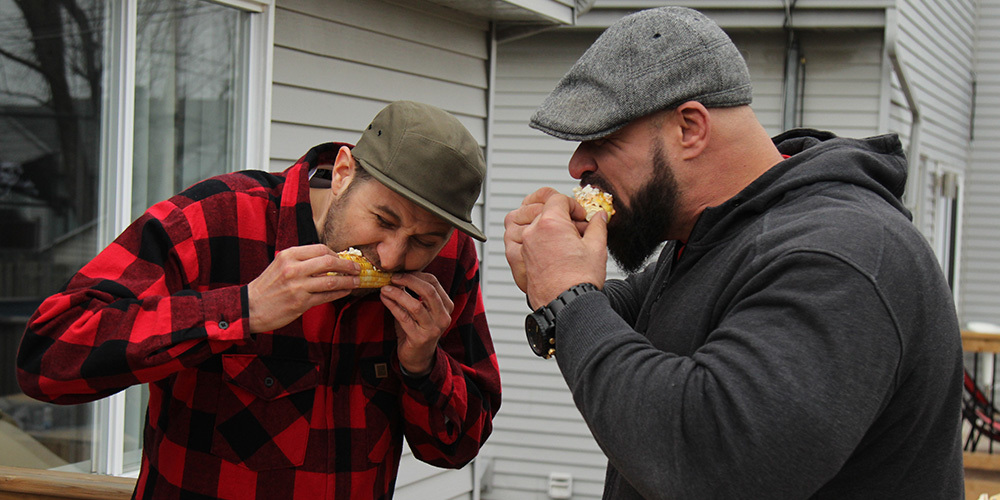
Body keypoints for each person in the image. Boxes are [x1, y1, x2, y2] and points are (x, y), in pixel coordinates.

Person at [503, 7, 963, 499]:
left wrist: (568, 298)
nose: (577, 165)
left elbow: (711, 458)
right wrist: (554, 282)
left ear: (689, 128)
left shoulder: (842, 254)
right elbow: (626, 311)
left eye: (603, 139)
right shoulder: (720, 233)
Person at [17, 100, 501, 499]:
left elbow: (456, 448)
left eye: (423, 241)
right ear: (342, 172)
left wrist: (422, 365)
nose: (393, 256)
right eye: (383, 220)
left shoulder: (448, 262)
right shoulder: (214, 219)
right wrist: (241, 309)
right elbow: (47, 358)